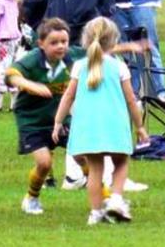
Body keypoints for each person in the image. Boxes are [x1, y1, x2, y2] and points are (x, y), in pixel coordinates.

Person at [53, 18, 147, 225]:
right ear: (113, 41)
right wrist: (139, 126)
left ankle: (95, 213)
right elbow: (131, 99)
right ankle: (116, 199)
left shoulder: (79, 66)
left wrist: (58, 121)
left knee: (95, 171)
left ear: (86, 40)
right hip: (114, 124)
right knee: (120, 162)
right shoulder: (119, 67)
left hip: (88, 126)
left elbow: (68, 96)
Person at [7, 18, 85, 216]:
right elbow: (11, 75)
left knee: (83, 155)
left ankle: (105, 197)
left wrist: (129, 47)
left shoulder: (71, 56)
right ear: (41, 43)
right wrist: (30, 85)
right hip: (32, 120)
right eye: (54, 42)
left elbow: (99, 53)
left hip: (60, 118)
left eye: (64, 41)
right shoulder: (33, 59)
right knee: (44, 163)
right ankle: (31, 198)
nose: (61, 46)